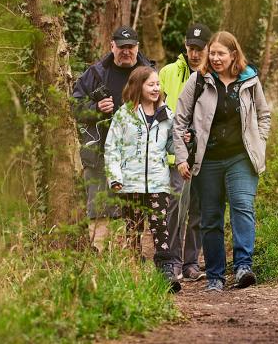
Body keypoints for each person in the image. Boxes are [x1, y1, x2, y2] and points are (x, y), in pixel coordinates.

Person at [172, 31, 271, 292]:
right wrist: (182, 157)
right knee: (211, 217)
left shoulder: (249, 80)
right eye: (212, 53)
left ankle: (242, 267)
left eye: (220, 54)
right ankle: (215, 275)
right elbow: (179, 120)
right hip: (208, 160)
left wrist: (259, 142)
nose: (215, 58)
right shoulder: (199, 81)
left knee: (242, 206)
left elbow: (264, 115)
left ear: (233, 55)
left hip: (241, 157)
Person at [72, 26, 154, 252]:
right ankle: (99, 259)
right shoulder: (96, 73)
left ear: (137, 48)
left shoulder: (149, 73)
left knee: (134, 208)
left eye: (131, 47)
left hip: (137, 153)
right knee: (99, 207)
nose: (126, 51)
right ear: (112, 47)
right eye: (121, 47)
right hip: (100, 152)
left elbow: (161, 107)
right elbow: (74, 107)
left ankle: (132, 256)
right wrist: (95, 108)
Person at [104, 66, 181, 292]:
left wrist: (185, 140)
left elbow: (171, 146)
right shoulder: (123, 115)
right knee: (133, 227)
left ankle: (166, 271)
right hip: (130, 183)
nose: (156, 88)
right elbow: (112, 149)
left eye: (158, 84)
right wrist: (115, 178)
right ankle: (133, 267)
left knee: (160, 226)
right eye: (151, 84)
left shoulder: (166, 115)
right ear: (138, 86)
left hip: (158, 182)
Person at [159, 23, 211, 282]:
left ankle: (192, 262)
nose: (194, 54)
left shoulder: (213, 74)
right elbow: (157, 110)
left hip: (205, 154)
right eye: (191, 48)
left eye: (199, 49)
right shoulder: (168, 72)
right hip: (175, 155)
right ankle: (173, 261)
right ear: (185, 46)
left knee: (198, 209)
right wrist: (176, 136)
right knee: (175, 207)